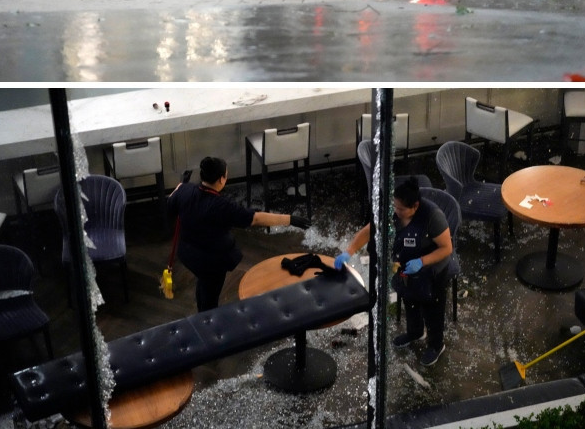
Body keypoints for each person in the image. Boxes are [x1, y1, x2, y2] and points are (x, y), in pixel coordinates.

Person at [335, 177, 453, 366]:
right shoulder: (393, 211)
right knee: (410, 300)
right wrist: (349, 252)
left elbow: (446, 248)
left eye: (401, 209)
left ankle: (436, 345)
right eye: (394, 207)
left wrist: (422, 262)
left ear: (415, 206)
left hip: (432, 270)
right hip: (406, 267)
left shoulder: (432, 216)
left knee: (432, 310)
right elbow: (369, 230)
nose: (396, 212)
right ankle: (415, 333)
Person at [169, 156, 310, 313]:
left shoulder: (185, 190)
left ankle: (202, 310)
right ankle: (207, 321)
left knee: (203, 283)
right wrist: (289, 219)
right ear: (221, 179)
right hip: (210, 262)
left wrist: (182, 184)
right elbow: (255, 218)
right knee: (210, 295)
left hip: (188, 254)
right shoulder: (222, 206)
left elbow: (172, 202)